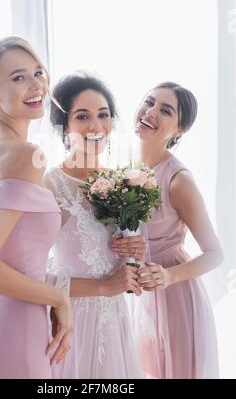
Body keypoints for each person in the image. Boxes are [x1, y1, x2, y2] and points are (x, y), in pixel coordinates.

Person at [0, 37, 72, 379]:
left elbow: (2, 254)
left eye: (38, 73)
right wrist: (59, 298)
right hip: (13, 332)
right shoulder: (24, 155)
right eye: (19, 78)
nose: (37, 85)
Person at [44, 73, 145, 379]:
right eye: (82, 116)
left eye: (103, 115)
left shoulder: (122, 181)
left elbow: (123, 259)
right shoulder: (51, 185)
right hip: (72, 321)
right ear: (65, 125)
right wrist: (102, 286)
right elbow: (32, 271)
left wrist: (136, 252)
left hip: (115, 321)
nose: (96, 126)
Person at [133, 81, 223, 379]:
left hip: (176, 298)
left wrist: (168, 276)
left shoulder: (178, 179)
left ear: (179, 129)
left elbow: (215, 254)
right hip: (142, 297)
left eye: (165, 110)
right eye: (149, 102)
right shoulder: (127, 170)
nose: (150, 112)